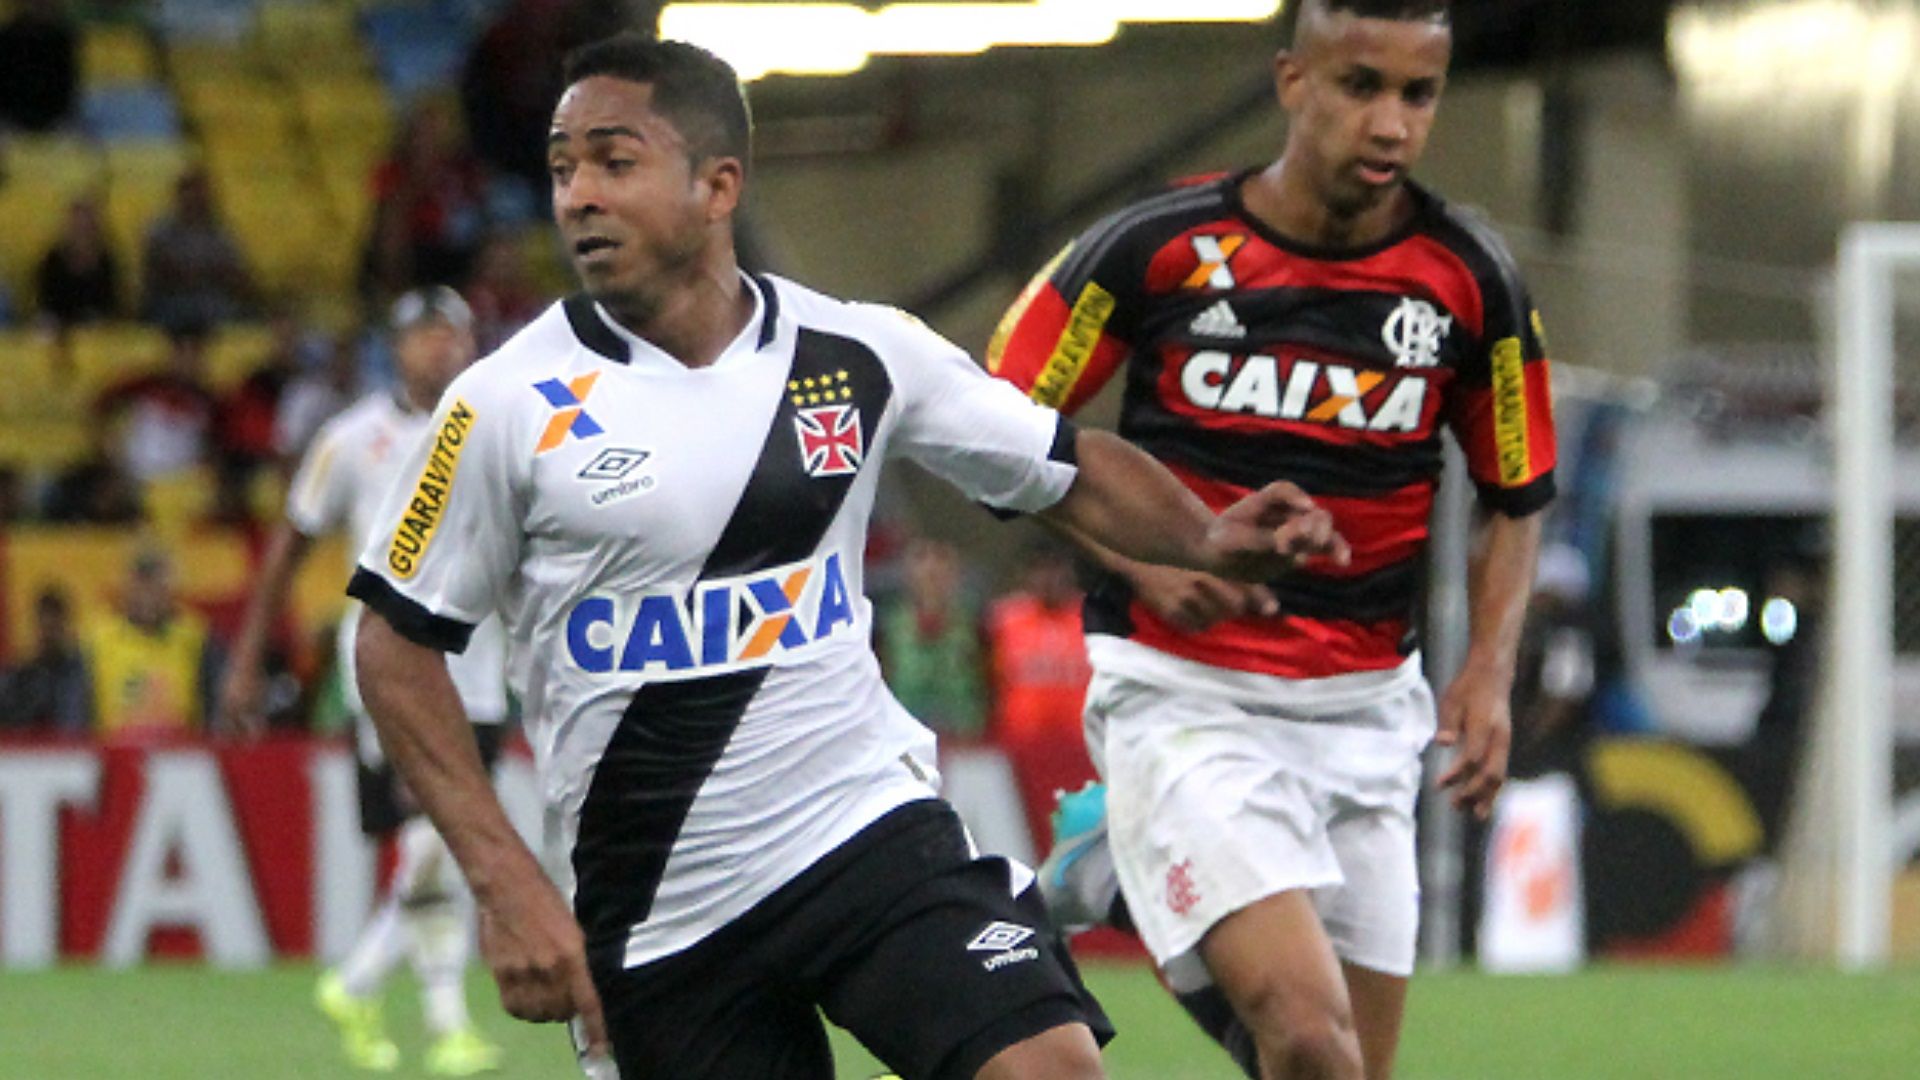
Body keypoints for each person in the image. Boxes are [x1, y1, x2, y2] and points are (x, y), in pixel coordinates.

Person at [345, 34, 1347, 1080]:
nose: (579, 195)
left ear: (718, 184)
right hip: (659, 909)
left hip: (864, 835)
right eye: (561, 169)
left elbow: (1061, 463)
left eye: (613, 160)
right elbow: (393, 648)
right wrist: (507, 885)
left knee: (1047, 1073)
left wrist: (1212, 538)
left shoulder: (859, 353)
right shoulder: (500, 404)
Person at [987, 2, 1558, 1077]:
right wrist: (1140, 555)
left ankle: (1119, 871)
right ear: (1292, 81)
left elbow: (1515, 494)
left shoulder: (1471, 280)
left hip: (1366, 713)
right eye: (1360, 85)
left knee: (1326, 1069)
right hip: (1184, 691)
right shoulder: (1153, 249)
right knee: (1308, 1037)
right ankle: (1137, 856)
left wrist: (1488, 671)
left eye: (1418, 93)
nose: (1390, 122)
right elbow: (992, 430)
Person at [216, 287, 507, 1076]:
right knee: (436, 830)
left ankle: (358, 983)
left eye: (451, 334)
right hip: (393, 662)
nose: (439, 349)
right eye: (422, 336)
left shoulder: (497, 430)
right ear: (395, 346)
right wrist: (247, 660)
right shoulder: (352, 439)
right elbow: (291, 543)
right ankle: (444, 1023)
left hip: (480, 662)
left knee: (447, 834)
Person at [87, 548, 219, 739]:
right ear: (126, 588)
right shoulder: (97, 641)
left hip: (181, 759)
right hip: (116, 758)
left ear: (170, 590)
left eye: (157, 585)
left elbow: (214, 707)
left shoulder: (195, 637)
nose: (148, 595)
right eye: (140, 583)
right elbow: (76, 717)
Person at [876, 537, 989, 738]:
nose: (931, 569)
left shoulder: (977, 623)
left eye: (942, 558)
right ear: (906, 570)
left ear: (957, 571)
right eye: (921, 558)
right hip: (904, 739)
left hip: (965, 741)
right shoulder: (887, 625)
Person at [140, 169, 256, 331]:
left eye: (201, 195)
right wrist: (200, 272)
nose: (196, 200)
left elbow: (238, 276)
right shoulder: (160, 230)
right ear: (179, 196)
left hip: (212, 301)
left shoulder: (221, 233)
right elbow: (155, 272)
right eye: (190, 194)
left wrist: (219, 274)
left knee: (240, 318)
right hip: (171, 301)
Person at [0, 587, 93, 735]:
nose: (48, 633)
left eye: (54, 627)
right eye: (44, 626)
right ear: (36, 626)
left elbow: (73, 724)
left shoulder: (77, 672)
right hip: (23, 754)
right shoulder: (18, 674)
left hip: (66, 753)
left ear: (65, 626)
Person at [36, 196, 122, 327]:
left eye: (86, 223)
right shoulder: (54, 258)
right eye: (78, 223)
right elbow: (46, 299)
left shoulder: (105, 259)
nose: (82, 227)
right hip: (58, 320)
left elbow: (110, 300)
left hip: (95, 321)